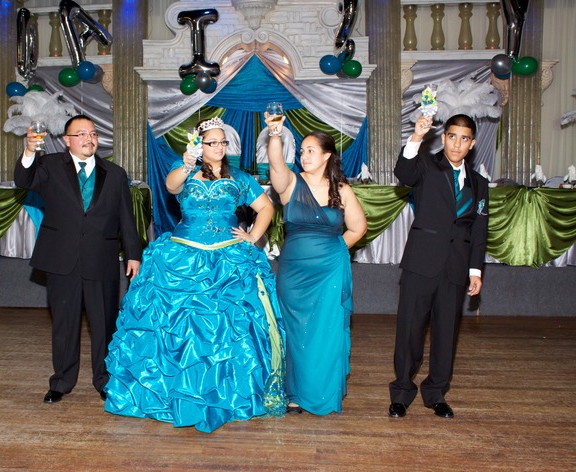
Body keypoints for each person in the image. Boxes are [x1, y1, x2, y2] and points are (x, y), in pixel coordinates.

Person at [104, 117, 286, 433]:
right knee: (174, 327)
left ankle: (225, 394)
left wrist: (253, 236)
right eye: (212, 142)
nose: (219, 147)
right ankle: (174, 394)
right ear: (199, 146)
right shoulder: (185, 170)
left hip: (228, 257)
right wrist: (187, 165)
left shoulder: (240, 178)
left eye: (222, 142)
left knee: (228, 329)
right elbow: (170, 186)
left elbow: (267, 208)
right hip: (182, 255)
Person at [14, 114, 142, 404]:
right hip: (62, 260)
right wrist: (30, 150)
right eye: (81, 134)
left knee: (104, 324)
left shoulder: (115, 173)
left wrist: (133, 254)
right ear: (66, 141)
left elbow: (126, 217)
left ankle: (104, 380)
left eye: (93, 133)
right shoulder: (49, 166)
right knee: (64, 324)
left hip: (102, 259)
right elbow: (23, 179)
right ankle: (61, 382)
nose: (89, 139)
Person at [264, 113, 367, 415]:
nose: (304, 155)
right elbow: (276, 165)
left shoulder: (342, 190)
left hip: (328, 272)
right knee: (293, 331)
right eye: (302, 150)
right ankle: (293, 393)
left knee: (325, 332)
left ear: (327, 156)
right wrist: (274, 135)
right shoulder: (290, 183)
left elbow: (358, 227)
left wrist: (335, 251)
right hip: (294, 272)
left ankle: (319, 393)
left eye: (311, 150)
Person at [388, 113, 489, 419]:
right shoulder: (426, 166)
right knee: (410, 331)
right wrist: (416, 137)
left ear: (472, 144)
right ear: (443, 137)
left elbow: (479, 229)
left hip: (456, 268)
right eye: (452, 136)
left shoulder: (479, 183)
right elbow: (403, 173)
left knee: (446, 334)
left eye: (464, 138)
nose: (457, 143)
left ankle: (436, 393)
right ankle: (402, 393)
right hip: (421, 262)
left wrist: (475, 271)